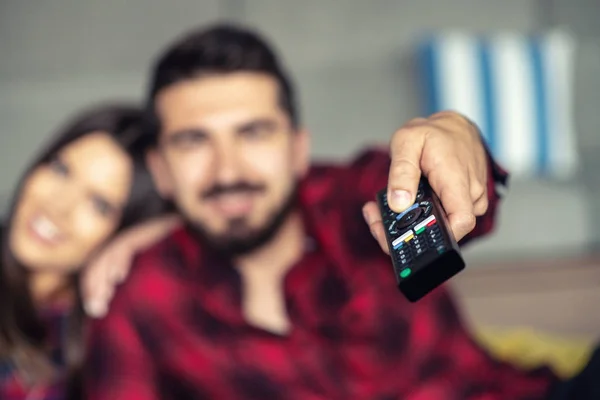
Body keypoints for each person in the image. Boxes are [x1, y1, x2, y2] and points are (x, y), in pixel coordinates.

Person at [84, 24, 561, 399]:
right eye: (193, 142)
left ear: (297, 150)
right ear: (161, 170)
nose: (227, 170)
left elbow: (427, 187)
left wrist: (458, 139)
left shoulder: (350, 198)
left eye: (253, 133)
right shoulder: (139, 296)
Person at [0, 104, 180, 400]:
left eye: (99, 204)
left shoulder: (110, 340)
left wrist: (164, 229)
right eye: (61, 169)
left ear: (128, 229)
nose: (58, 206)